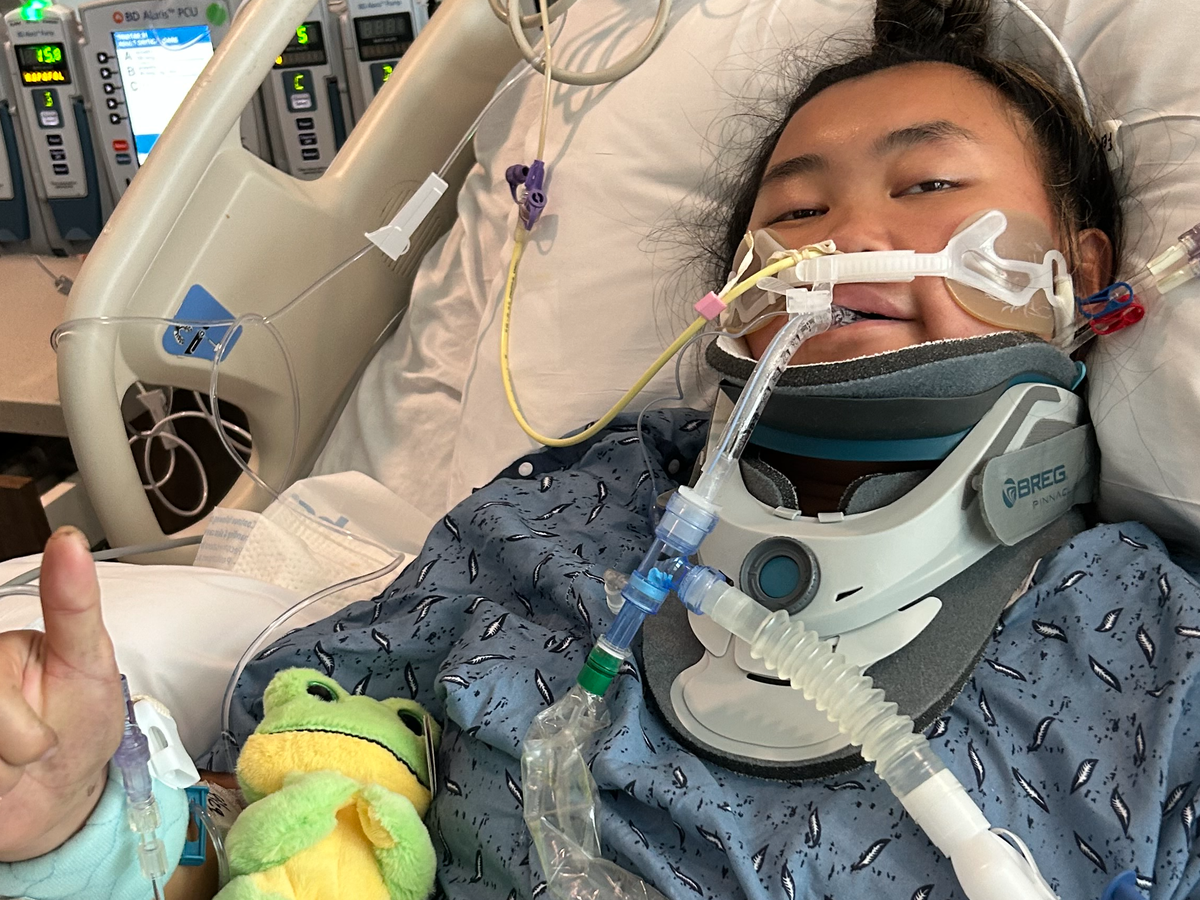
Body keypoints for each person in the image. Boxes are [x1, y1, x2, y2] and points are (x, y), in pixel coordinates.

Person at [3, 1, 1199, 898]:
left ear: (1082, 273)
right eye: (795, 211)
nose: (848, 235)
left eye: (928, 182)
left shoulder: (1156, 650)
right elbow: (283, 822)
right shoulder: (557, 520)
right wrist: (80, 833)